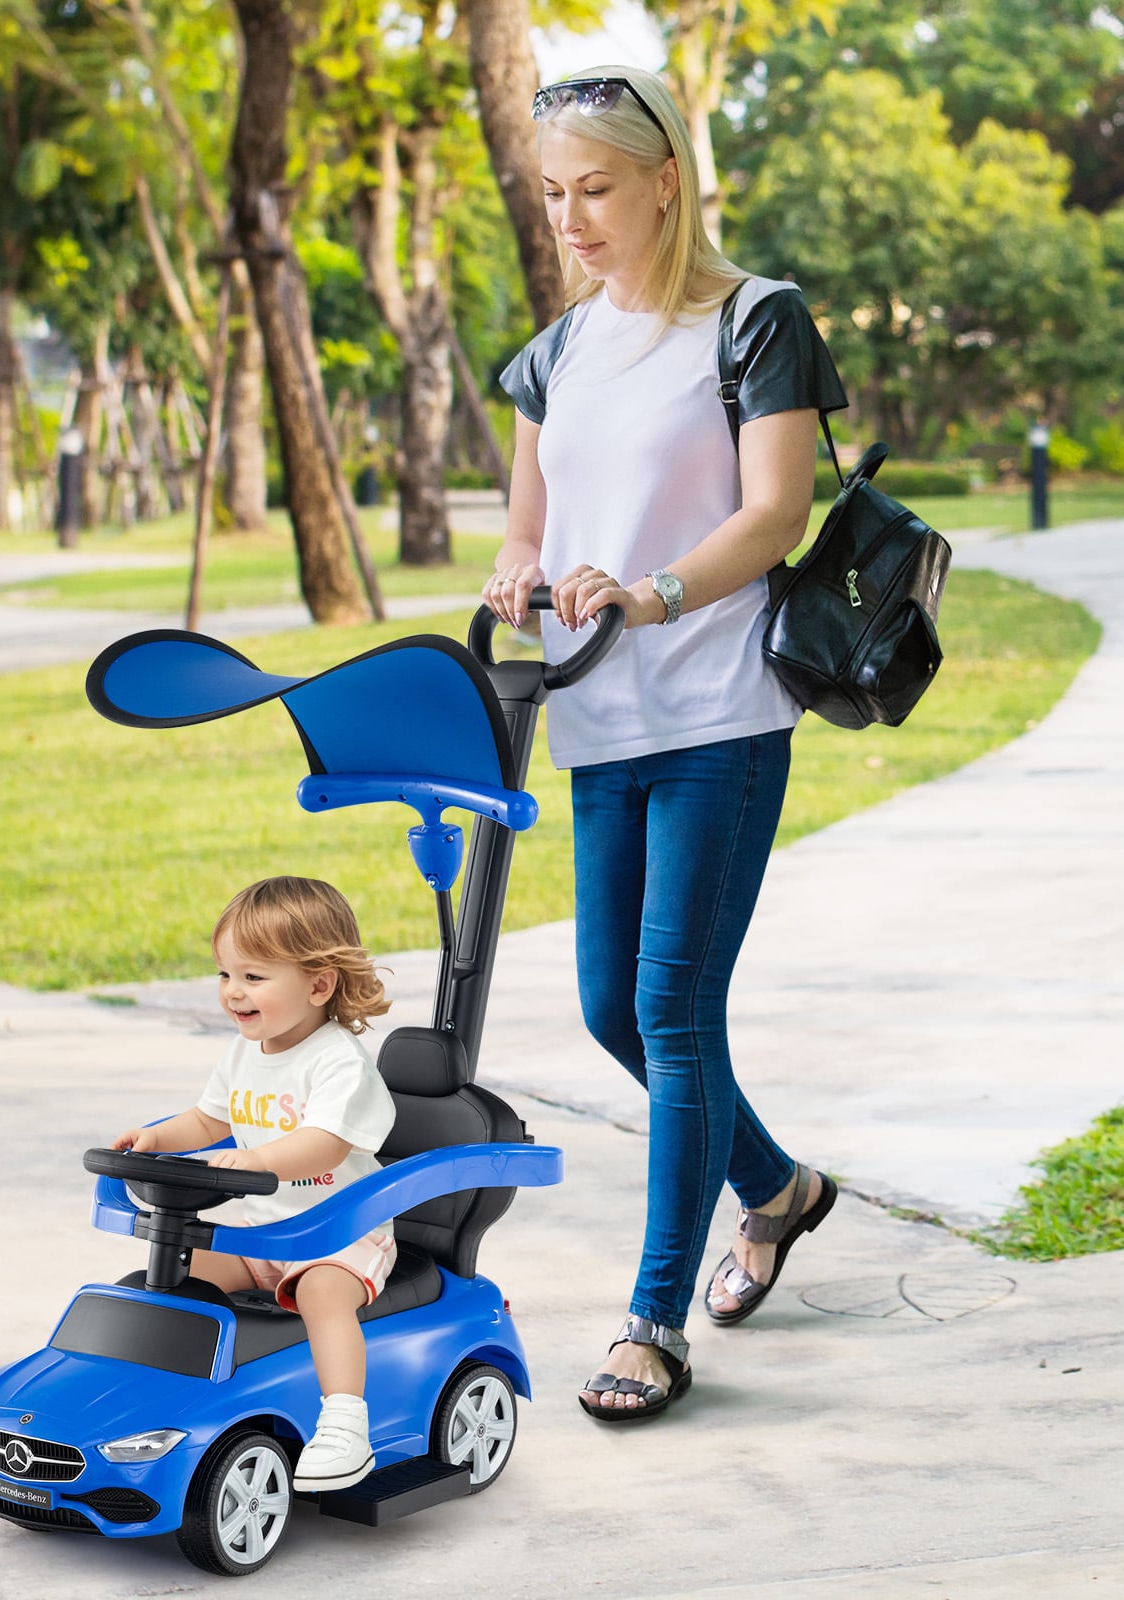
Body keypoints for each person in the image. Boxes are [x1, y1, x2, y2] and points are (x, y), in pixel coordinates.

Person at [482, 67, 847, 1423]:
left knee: (674, 1011)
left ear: (662, 182)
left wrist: (654, 593)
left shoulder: (756, 323)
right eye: (552, 193)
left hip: (717, 710)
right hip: (598, 714)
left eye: (594, 189)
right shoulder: (557, 353)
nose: (570, 218)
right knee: (609, 1008)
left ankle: (652, 1321)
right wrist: (519, 575)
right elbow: (527, 522)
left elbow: (774, 516)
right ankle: (778, 1188)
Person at [111, 876, 396, 1487]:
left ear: (318, 985)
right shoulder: (245, 1052)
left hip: (337, 1233)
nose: (233, 992)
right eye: (225, 974)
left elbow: (325, 1142)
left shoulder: (337, 1060)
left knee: (321, 1294)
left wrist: (258, 1161)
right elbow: (208, 1120)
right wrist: (156, 1139)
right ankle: (159, 1402)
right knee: (177, 1272)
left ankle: (345, 1426)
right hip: (261, 1229)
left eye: (254, 976)